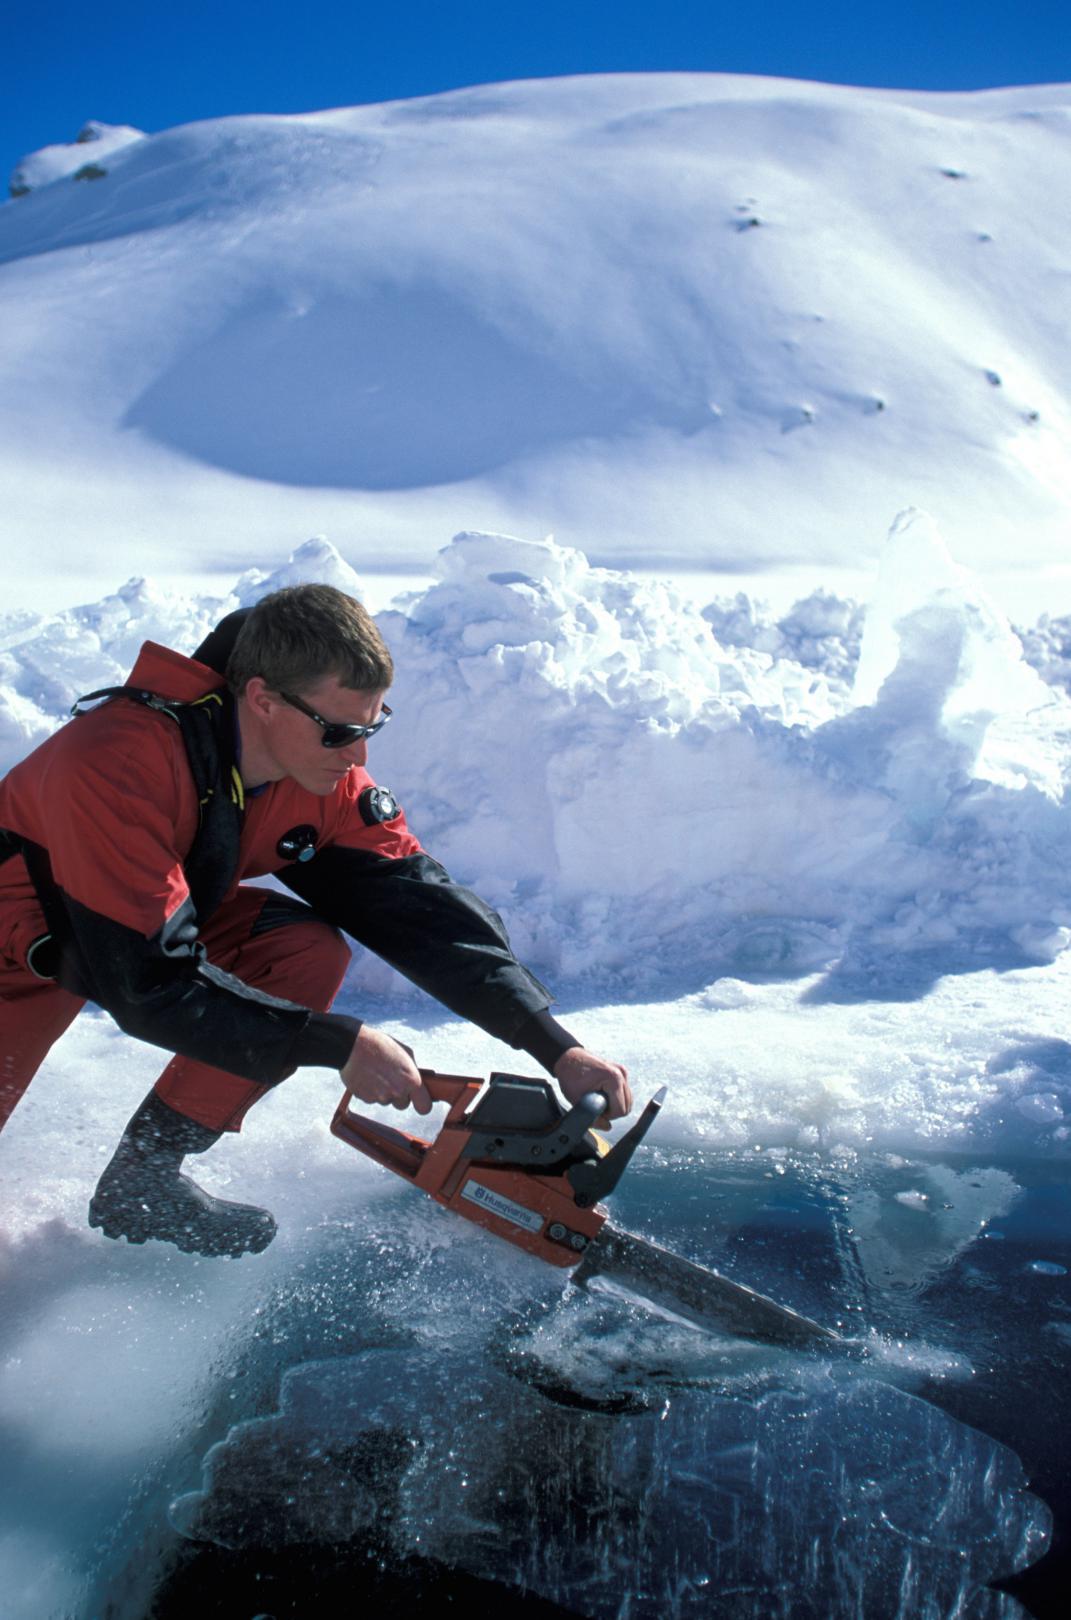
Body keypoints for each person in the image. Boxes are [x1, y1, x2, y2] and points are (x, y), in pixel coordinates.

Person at [0, 584, 630, 1257]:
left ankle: (145, 1177)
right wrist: (338, 1043)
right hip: (22, 947)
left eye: (371, 726)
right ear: (264, 699)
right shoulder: (118, 761)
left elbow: (420, 912)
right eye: (339, 731)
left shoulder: (314, 771)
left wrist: (552, 1045)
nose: (356, 756)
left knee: (301, 950)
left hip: (148, 919)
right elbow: (148, 985)